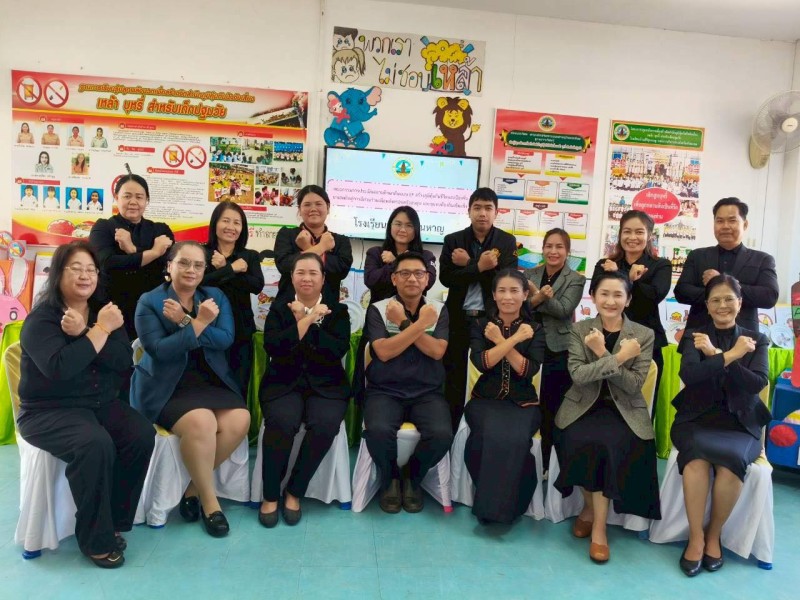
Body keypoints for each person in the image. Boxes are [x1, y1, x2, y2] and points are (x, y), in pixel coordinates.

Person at [16, 241, 154, 568]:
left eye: (91, 269)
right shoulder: (42, 319)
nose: (85, 276)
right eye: (76, 268)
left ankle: (114, 520)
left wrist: (90, 331)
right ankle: (96, 540)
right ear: (58, 274)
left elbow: (122, 361)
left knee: (140, 433)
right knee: (94, 444)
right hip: (47, 411)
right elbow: (59, 368)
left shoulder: (105, 311)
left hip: (98, 403)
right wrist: (98, 332)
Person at [131, 241, 250, 538]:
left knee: (240, 419)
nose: (191, 270)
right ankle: (210, 504)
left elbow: (225, 339)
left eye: (198, 265)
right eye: (183, 263)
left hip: (209, 379)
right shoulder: (150, 301)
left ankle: (192, 489)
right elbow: (159, 350)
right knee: (202, 421)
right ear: (169, 266)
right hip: (166, 384)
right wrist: (200, 324)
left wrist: (186, 321)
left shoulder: (215, 296)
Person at [554, 271, 660, 564]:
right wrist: (618, 357)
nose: (610, 301)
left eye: (618, 295)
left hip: (623, 409)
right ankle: (589, 509)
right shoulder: (579, 329)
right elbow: (578, 375)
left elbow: (633, 385)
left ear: (628, 300)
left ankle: (598, 527)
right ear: (593, 297)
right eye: (604, 294)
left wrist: (601, 353)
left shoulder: (643, 334)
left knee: (606, 445)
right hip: (582, 406)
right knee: (578, 438)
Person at [670, 274, 771, 577]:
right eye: (715, 300)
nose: (722, 305)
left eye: (729, 299)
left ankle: (713, 535)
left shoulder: (756, 339)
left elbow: (756, 384)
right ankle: (696, 538)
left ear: (740, 303)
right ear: (707, 305)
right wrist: (731, 355)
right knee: (696, 460)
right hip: (695, 418)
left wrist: (717, 356)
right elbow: (690, 376)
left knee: (731, 462)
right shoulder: (694, 336)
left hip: (740, 422)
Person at [258, 253, 350, 528]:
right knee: (281, 421)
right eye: (301, 272)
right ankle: (270, 495)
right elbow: (275, 348)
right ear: (292, 277)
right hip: (284, 382)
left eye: (313, 273)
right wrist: (307, 320)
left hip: (327, 385)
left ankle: (294, 491)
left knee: (325, 424)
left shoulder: (338, 311)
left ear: (323, 279)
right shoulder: (279, 309)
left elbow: (334, 351)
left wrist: (307, 322)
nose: (307, 278)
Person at [363, 252, 452, 514]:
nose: (412, 278)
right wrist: (421, 326)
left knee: (441, 434)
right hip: (385, 390)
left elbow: (437, 351)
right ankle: (390, 477)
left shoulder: (438, 310)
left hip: (427, 392)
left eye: (418, 274)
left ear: (427, 280)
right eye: (405, 273)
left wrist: (403, 323)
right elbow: (383, 352)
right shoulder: (379, 308)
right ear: (394, 279)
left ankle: (412, 477)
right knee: (378, 430)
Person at [466, 268, 544, 524]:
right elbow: (482, 363)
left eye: (514, 291)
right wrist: (512, 340)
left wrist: (500, 340)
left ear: (525, 295)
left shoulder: (535, 329)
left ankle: (510, 507)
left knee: (516, 440)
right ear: (493, 295)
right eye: (502, 290)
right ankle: (489, 508)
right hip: (484, 401)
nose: (508, 297)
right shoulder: (480, 325)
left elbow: (527, 370)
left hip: (523, 403)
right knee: (486, 437)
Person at [440, 187, 518, 429]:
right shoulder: (453, 240)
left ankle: (481, 428)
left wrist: (470, 264)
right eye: (477, 208)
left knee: (487, 373)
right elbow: (446, 279)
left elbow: (506, 283)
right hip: (458, 319)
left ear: (496, 213)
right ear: (468, 211)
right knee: (454, 375)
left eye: (488, 208)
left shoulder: (506, 241)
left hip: (490, 321)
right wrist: (480, 267)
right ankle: (452, 428)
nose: (482, 213)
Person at [354, 206, 437, 404]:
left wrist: (398, 261)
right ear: (390, 226)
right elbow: (371, 280)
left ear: (416, 229)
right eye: (398, 224)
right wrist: (394, 264)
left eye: (409, 225)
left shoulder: (426, 256)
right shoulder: (376, 253)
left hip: (411, 321)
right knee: (375, 367)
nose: (402, 229)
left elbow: (429, 281)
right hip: (379, 321)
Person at [592, 210, 671, 417]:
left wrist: (620, 277)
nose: (632, 237)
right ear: (620, 234)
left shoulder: (661, 265)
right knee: (602, 401)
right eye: (627, 231)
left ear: (649, 235)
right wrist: (627, 276)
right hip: (607, 339)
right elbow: (596, 293)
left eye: (639, 232)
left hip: (647, 341)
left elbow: (654, 296)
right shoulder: (605, 264)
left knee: (642, 405)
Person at [523, 228, 585, 467]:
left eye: (559, 246)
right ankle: (527, 456)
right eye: (549, 246)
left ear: (567, 251)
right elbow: (521, 307)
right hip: (528, 343)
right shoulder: (530, 273)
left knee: (552, 404)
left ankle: (548, 461)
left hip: (559, 348)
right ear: (542, 249)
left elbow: (564, 310)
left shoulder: (576, 279)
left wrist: (538, 296)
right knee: (529, 400)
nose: (553, 251)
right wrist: (538, 298)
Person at [674, 197, 779, 336]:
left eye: (732, 220)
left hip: (744, 337)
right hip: (699, 334)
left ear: (745, 224)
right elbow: (681, 292)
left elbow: (770, 296)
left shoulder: (762, 259)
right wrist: (721, 295)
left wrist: (721, 282)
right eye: (720, 221)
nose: (725, 226)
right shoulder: (697, 255)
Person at [90, 173, 175, 341]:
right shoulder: (103, 227)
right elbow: (107, 263)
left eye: (139, 197)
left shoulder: (160, 230)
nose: (133, 202)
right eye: (127, 196)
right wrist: (154, 252)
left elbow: (169, 263)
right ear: (116, 198)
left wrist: (132, 249)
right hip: (112, 308)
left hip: (153, 310)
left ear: (147, 200)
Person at [202, 201, 264, 393]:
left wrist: (224, 268)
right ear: (215, 223)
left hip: (241, 328)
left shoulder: (249, 256)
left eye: (237, 223)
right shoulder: (202, 253)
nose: (231, 227)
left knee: (239, 385)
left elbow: (256, 286)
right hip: (208, 325)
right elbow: (199, 283)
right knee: (209, 384)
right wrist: (231, 269)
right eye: (226, 221)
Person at [273, 185, 352, 306]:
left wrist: (307, 248)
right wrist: (321, 248)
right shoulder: (287, 234)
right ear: (299, 209)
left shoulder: (340, 241)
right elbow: (284, 265)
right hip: (289, 307)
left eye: (318, 204)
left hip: (327, 309)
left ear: (328, 208)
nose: (313, 209)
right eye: (307, 204)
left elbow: (341, 271)